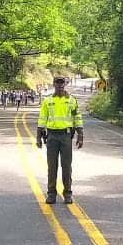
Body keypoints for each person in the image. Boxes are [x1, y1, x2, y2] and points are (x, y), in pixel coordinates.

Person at [36, 76, 84, 204]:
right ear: (54, 84)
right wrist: (38, 137)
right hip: (51, 136)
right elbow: (42, 119)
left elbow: (77, 117)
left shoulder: (71, 101)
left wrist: (80, 135)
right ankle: (51, 194)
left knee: (66, 166)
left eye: (62, 83)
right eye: (57, 83)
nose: (60, 85)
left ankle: (67, 193)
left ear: (65, 84)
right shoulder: (48, 101)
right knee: (52, 167)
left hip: (66, 136)